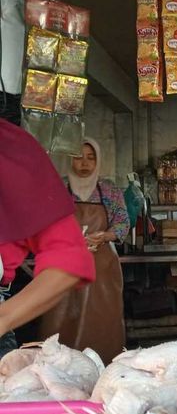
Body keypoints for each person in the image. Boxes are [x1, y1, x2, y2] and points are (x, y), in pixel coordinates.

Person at [0, 119, 95, 356]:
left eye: (90, 157)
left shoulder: (10, 150)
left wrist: (3, 318)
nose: (84, 162)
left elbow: (68, 258)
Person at [38, 138, 129, 362]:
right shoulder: (58, 187)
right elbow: (44, 221)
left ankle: (104, 365)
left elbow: (122, 221)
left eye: (91, 158)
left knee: (101, 319)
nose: (84, 163)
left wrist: (105, 236)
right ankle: (57, 367)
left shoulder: (108, 190)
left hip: (101, 266)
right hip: (64, 264)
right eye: (79, 157)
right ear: (71, 160)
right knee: (59, 316)